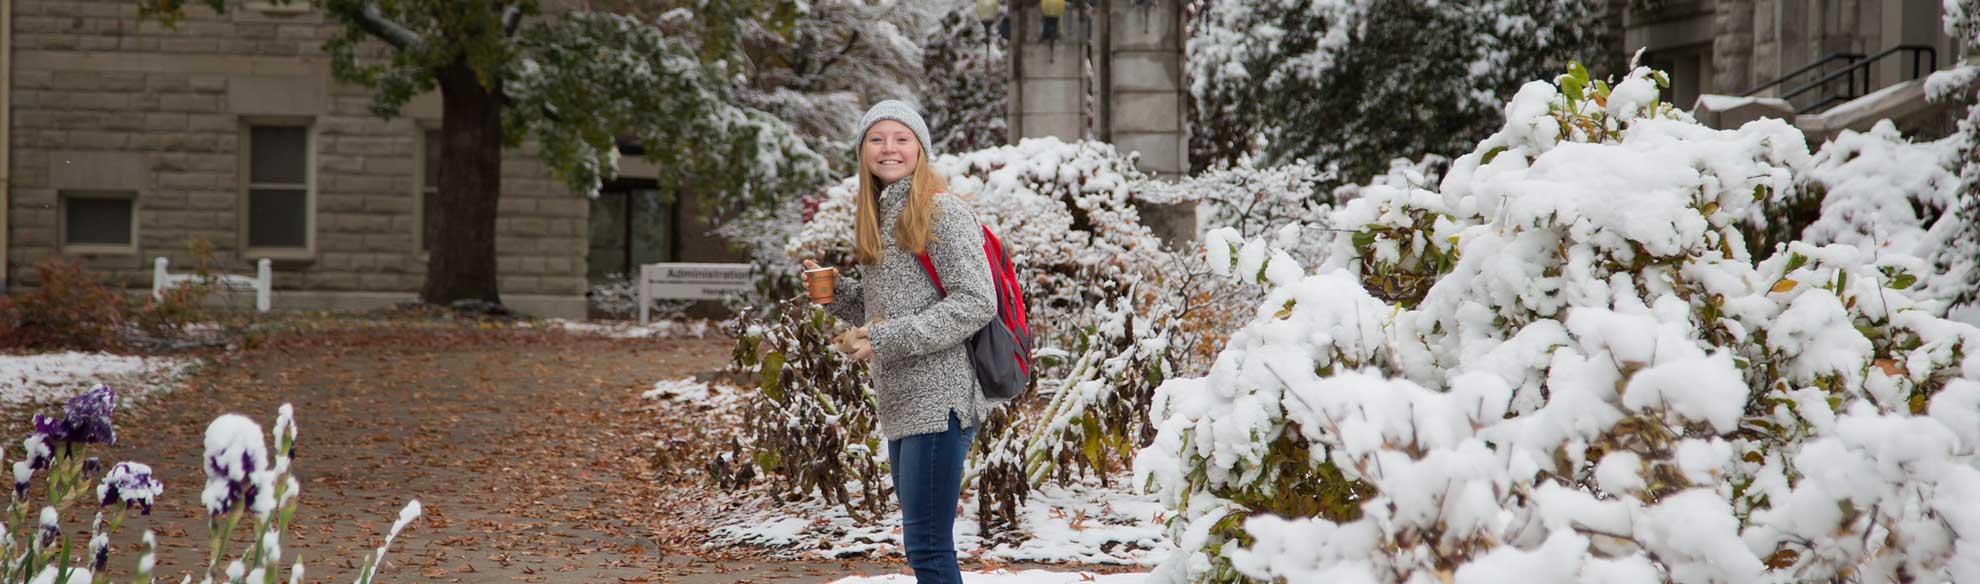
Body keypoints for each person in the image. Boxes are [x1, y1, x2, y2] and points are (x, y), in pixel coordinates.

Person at [801, 100, 995, 583]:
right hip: (903, 400)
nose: (889, 148)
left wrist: (886, 339)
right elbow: (887, 309)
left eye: (901, 138)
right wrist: (835, 293)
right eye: (877, 139)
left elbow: (976, 301)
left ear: (920, 149)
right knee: (922, 546)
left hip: (940, 400)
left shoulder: (940, 211)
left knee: (929, 548)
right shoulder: (882, 212)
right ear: (863, 150)